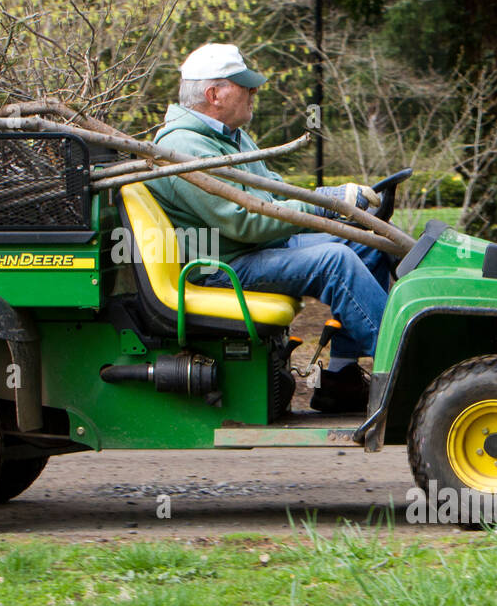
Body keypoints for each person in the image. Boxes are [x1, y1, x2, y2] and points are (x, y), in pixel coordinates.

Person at [148, 43, 392, 413]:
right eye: (244, 85)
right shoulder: (184, 148)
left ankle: (341, 378)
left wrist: (335, 201)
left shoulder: (228, 135)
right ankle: (409, 367)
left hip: (253, 250)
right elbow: (245, 221)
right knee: (335, 260)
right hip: (223, 266)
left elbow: (273, 189)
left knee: (367, 244)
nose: (254, 92)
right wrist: (325, 202)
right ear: (214, 94)